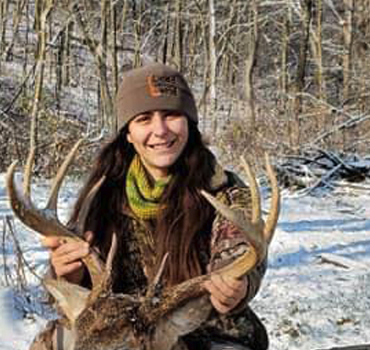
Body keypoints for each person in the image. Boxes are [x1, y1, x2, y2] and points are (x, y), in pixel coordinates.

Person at [33, 63, 269, 350]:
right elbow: (76, 297)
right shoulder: (101, 197)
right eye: (144, 118)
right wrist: (68, 275)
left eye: (171, 114)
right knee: (53, 344)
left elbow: (242, 258)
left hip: (205, 331)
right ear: (128, 134)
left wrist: (236, 288)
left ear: (189, 123)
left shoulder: (225, 193)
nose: (159, 130)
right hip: (121, 329)